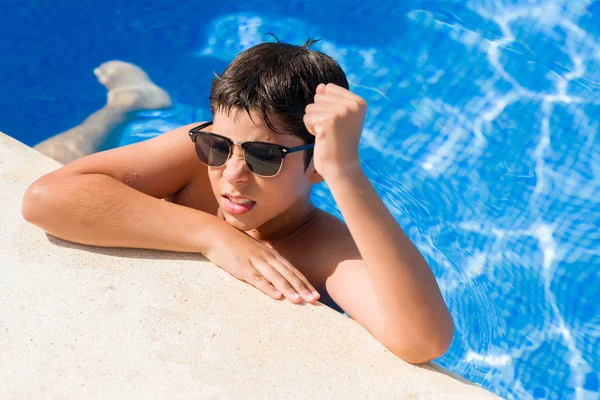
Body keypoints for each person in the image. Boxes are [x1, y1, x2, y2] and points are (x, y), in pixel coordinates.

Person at [22, 39, 454, 364]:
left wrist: (345, 170)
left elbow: (422, 341)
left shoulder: (321, 248)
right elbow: (47, 199)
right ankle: (124, 106)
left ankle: (128, 104)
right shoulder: (197, 153)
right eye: (217, 145)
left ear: (317, 165)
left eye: (265, 156)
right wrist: (214, 236)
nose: (231, 174)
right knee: (54, 154)